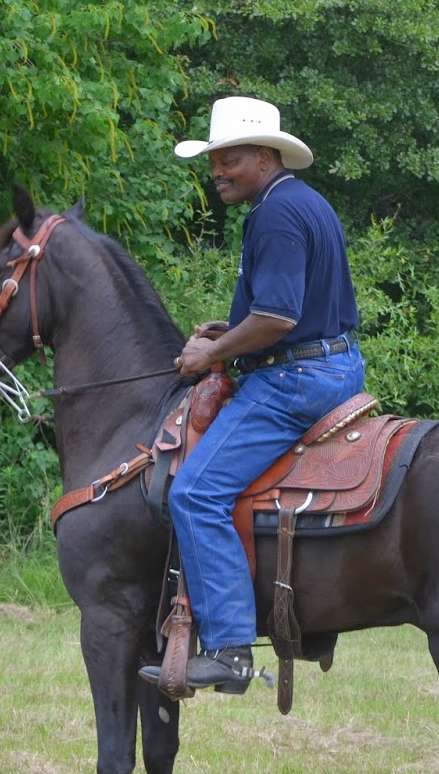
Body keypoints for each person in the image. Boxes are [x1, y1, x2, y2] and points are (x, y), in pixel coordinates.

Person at [142, 96, 366, 693]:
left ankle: (230, 648)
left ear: (265, 156)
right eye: (214, 162)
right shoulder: (304, 202)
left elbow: (278, 317)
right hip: (335, 363)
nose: (218, 172)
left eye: (230, 160)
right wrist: (232, 333)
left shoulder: (274, 216)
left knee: (195, 492)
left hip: (296, 383)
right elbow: (295, 313)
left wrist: (210, 354)